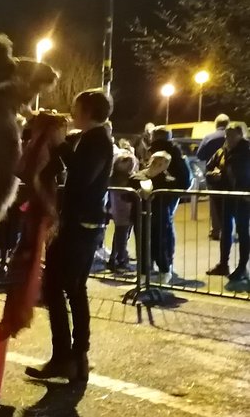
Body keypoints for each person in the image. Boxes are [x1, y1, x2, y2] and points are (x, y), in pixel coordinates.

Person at [26, 88, 114, 383]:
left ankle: (69, 357)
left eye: (75, 107)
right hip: (76, 225)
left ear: (88, 110)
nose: (71, 112)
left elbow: (82, 174)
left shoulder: (99, 140)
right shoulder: (87, 138)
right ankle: (73, 358)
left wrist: (60, 145)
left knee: (61, 288)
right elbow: (66, 167)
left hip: (80, 227)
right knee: (69, 290)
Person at [133, 127, 190, 284]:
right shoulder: (176, 153)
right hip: (162, 203)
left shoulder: (162, 153)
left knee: (156, 235)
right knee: (162, 234)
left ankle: (157, 267)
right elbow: (185, 180)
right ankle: (163, 266)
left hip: (158, 203)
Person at [207, 121, 250, 288]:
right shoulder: (222, 151)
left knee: (242, 231)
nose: (228, 138)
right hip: (226, 197)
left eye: (232, 135)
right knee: (226, 231)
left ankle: (242, 267)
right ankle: (223, 264)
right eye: (227, 135)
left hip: (243, 198)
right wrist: (213, 175)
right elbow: (209, 167)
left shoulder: (246, 151)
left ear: (241, 135)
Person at [198, 113, 230, 240]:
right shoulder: (233, 137)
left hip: (213, 175)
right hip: (230, 174)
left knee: (214, 202)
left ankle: (216, 230)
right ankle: (229, 229)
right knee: (230, 201)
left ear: (216, 124)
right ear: (228, 124)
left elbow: (200, 155)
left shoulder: (208, 137)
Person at [108, 138, 138, 270]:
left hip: (121, 212)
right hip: (123, 211)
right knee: (122, 234)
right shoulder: (125, 180)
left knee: (121, 234)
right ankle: (120, 259)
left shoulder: (115, 179)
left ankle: (117, 257)